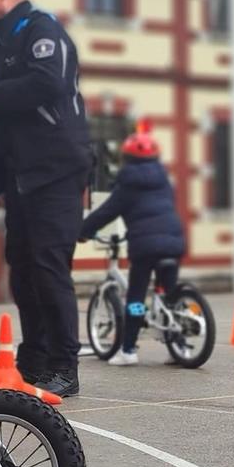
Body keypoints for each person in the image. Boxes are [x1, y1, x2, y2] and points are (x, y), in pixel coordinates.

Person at [0, 0, 93, 399]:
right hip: (24, 176)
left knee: (48, 265)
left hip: (56, 170)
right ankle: (34, 359)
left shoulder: (41, 31)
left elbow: (49, 83)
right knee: (23, 269)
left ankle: (64, 366)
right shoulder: (6, 40)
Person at [79, 121, 185, 366]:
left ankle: (127, 350)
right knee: (169, 294)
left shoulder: (128, 183)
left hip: (146, 246)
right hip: (174, 240)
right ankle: (178, 345)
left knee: (136, 298)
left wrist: (83, 230)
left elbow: (107, 211)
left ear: (127, 157)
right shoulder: (164, 180)